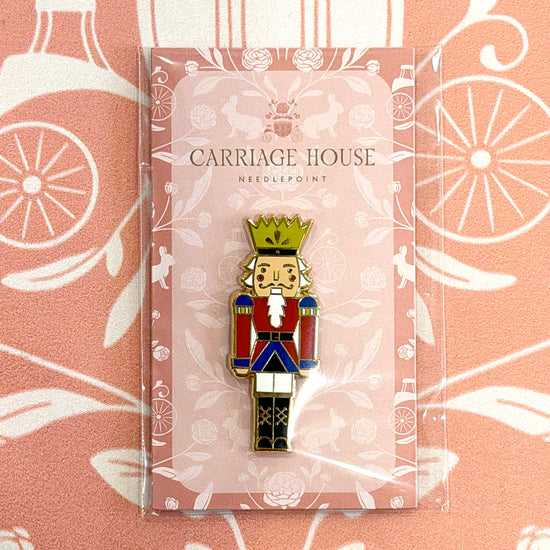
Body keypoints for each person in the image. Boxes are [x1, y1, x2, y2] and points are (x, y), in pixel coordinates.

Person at [229, 215, 319, 452]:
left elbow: (307, 332)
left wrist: (306, 361)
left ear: (298, 277)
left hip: (287, 354)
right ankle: (263, 436)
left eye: (288, 272)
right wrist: (241, 360)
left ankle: (279, 437)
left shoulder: (302, 304)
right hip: (262, 353)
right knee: (263, 396)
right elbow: (243, 330)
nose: (276, 278)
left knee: (283, 396)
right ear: (254, 276)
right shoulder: (248, 302)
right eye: (265, 272)